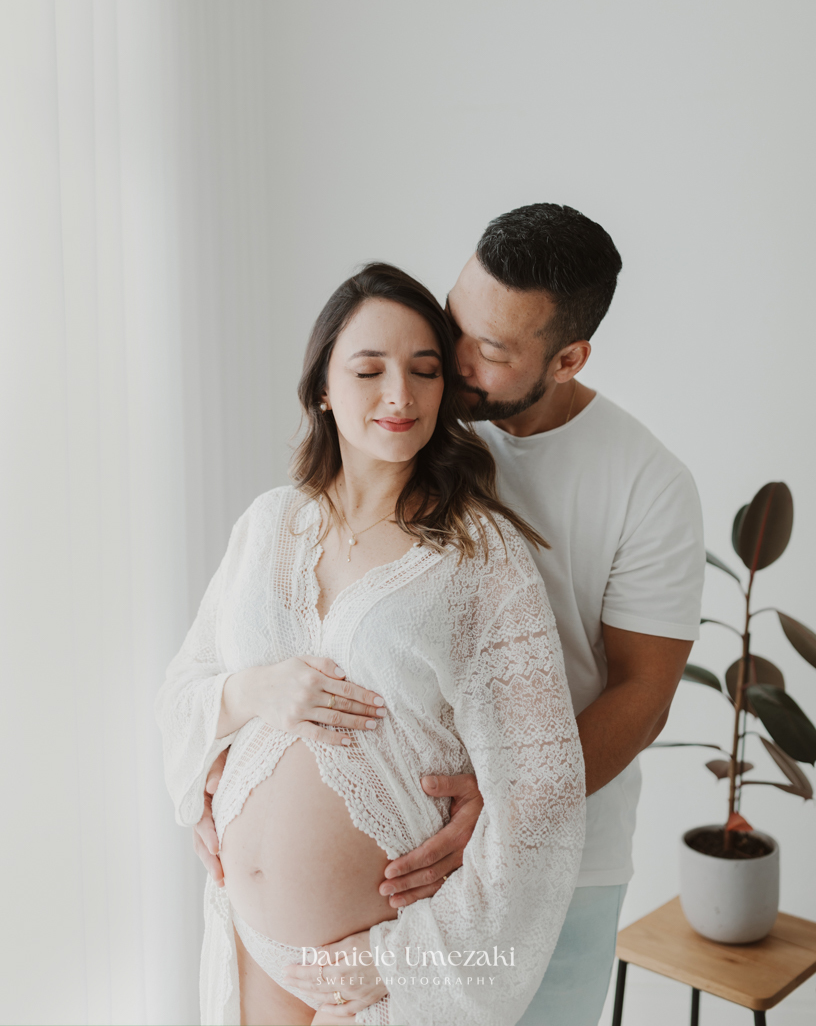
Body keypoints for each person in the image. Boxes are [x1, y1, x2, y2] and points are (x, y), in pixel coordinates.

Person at [195, 204, 706, 1026]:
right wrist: (220, 754)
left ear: (567, 358)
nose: (452, 364)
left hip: (547, 859)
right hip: (315, 913)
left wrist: (501, 802)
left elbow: (645, 692)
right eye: (455, 326)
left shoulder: (645, 484)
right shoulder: (404, 430)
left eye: (490, 351)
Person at [156, 262, 586, 1026]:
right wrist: (248, 696)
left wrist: (401, 960)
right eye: (369, 370)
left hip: (383, 962)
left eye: (425, 370)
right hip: (249, 937)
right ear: (323, 385)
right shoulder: (268, 524)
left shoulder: (479, 555)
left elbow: (540, 790)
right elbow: (188, 684)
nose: (400, 395)